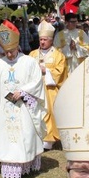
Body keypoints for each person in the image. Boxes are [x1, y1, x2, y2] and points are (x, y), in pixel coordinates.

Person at [0, 21, 46, 178]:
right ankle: (10, 167)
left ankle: (28, 165)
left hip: (24, 108)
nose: (9, 54)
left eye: (12, 50)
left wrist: (23, 91)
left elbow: (37, 82)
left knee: (26, 135)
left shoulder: (28, 62)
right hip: (5, 110)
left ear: (18, 46)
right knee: (8, 139)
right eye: (6, 51)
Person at [29, 20, 67, 150]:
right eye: (40, 39)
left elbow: (60, 73)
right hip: (35, 89)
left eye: (45, 39)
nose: (42, 42)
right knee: (35, 112)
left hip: (50, 89)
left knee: (49, 112)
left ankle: (49, 140)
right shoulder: (32, 54)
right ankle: (36, 136)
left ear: (51, 40)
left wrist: (46, 70)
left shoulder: (58, 56)